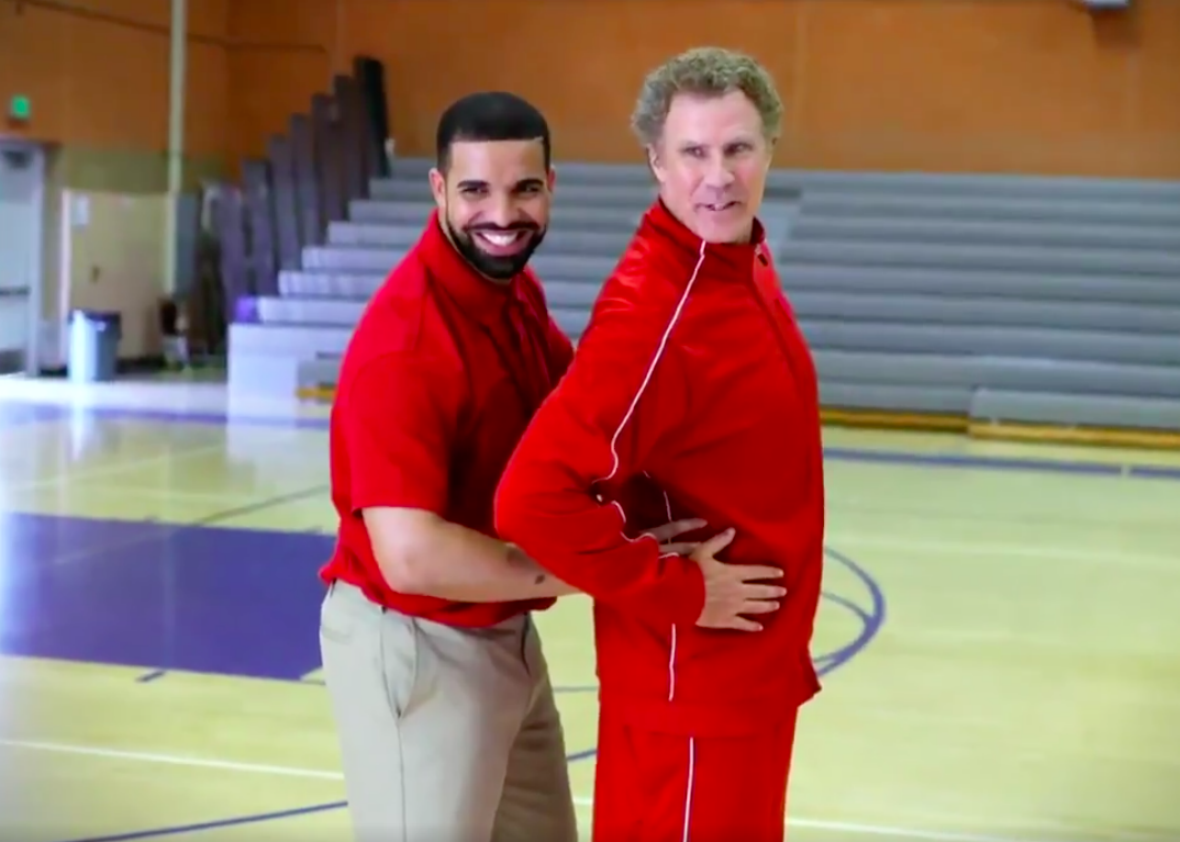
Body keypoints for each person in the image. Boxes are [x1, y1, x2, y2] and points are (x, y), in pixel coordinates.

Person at [316, 91, 698, 841]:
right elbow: (412, 555)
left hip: (504, 634)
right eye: (475, 191)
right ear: (438, 190)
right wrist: (601, 568)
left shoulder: (511, 293)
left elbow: (584, 417)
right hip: (418, 647)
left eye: (523, 188)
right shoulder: (407, 345)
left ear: (551, 187)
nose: (502, 214)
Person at [494, 48, 824, 842]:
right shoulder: (654, 314)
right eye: (694, 153)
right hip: (692, 693)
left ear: (770, 150)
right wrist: (676, 589)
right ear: (657, 164)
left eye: (738, 148)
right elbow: (530, 498)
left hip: (750, 679)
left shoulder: (741, 260)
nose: (719, 176)